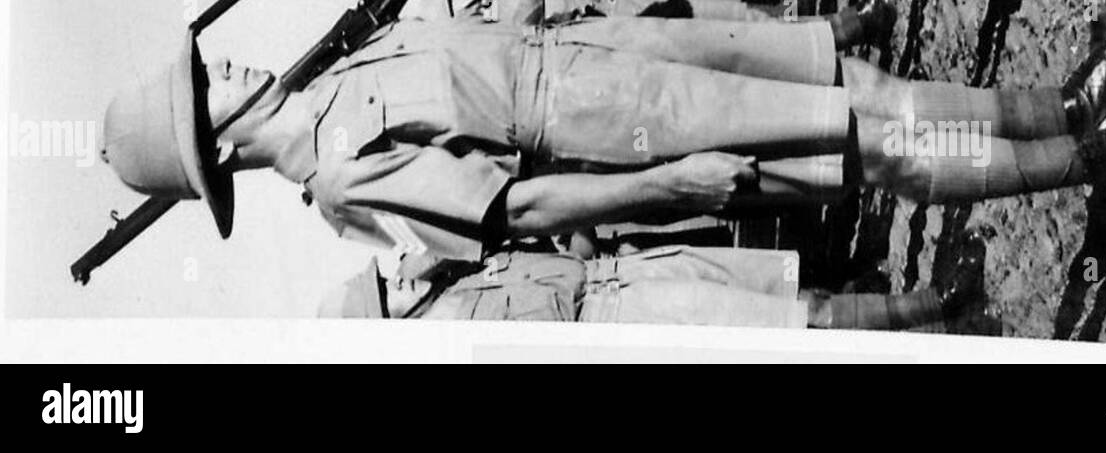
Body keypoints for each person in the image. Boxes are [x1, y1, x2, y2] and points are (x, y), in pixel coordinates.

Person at [105, 0, 1106, 266]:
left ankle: (1061, 106)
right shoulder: (340, 177)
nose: (230, 64)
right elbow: (520, 206)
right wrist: (671, 188)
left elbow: (504, 43)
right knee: (873, 143)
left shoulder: (352, 59)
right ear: (217, 144)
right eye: (209, 86)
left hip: (617, 54)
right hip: (631, 131)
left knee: (857, 94)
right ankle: (1088, 159)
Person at [317, 236, 987, 331]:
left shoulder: (454, 281)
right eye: (386, 284)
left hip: (622, 276)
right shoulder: (453, 329)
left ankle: (895, 302)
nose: (396, 267)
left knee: (784, 296)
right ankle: (935, 301)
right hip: (622, 318)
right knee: (792, 321)